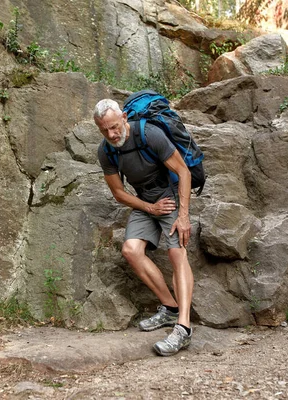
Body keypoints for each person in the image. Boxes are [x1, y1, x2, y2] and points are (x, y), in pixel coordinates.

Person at [93, 98, 195, 356]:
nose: (112, 134)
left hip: (169, 194)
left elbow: (183, 172)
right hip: (145, 201)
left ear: (125, 117)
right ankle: (169, 307)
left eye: (115, 127)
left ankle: (183, 327)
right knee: (130, 250)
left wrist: (183, 216)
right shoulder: (106, 151)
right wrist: (149, 208)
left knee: (176, 252)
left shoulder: (150, 134)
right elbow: (118, 192)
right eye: (104, 130)